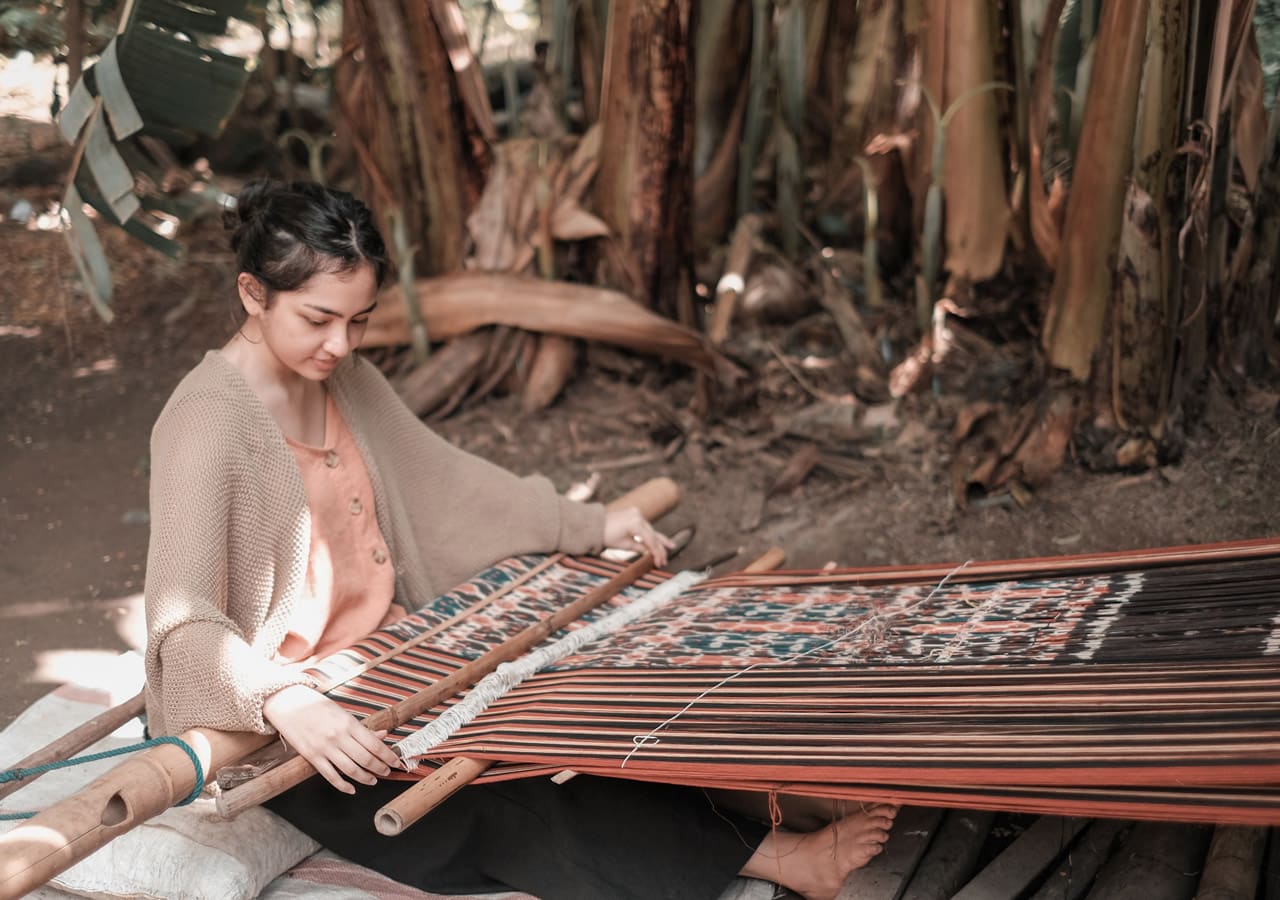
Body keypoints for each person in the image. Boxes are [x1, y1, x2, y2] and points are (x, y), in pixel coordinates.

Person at [143, 179, 897, 900]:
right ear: (252, 293)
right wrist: (283, 699)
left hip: (398, 663)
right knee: (513, 792)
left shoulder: (342, 378)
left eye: (360, 319)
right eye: (318, 318)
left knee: (590, 702)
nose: (342, 344)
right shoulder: (206, 423)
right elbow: (182, 628)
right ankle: (787, 860)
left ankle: (767, 803)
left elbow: (443, 483)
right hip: (290, 720)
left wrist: (588, 525)